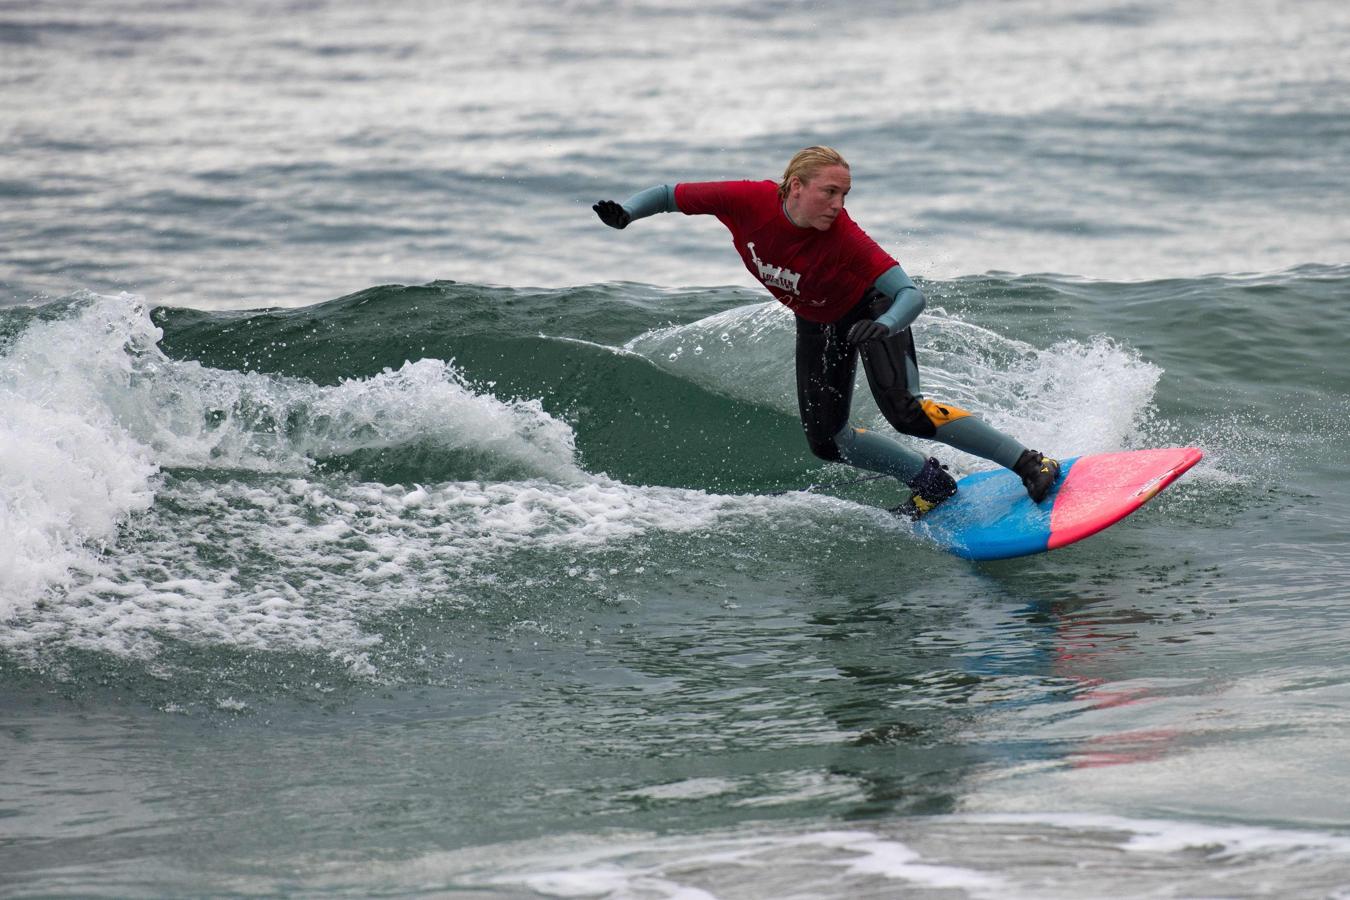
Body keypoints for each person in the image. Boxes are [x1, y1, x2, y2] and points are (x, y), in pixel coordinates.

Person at [592, 146, 1058, 517]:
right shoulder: (746, 200)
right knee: (828, 442)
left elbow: (909, 295)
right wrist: (628, 214)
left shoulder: (845, 239)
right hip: (818, 320)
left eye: (845, 195)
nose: (838, 206)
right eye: (829, 193)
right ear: (794, 187)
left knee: (905, 411)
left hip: (873, 311)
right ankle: (931, 482)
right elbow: (670, 193)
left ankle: (1029, 462)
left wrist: (884, 325)